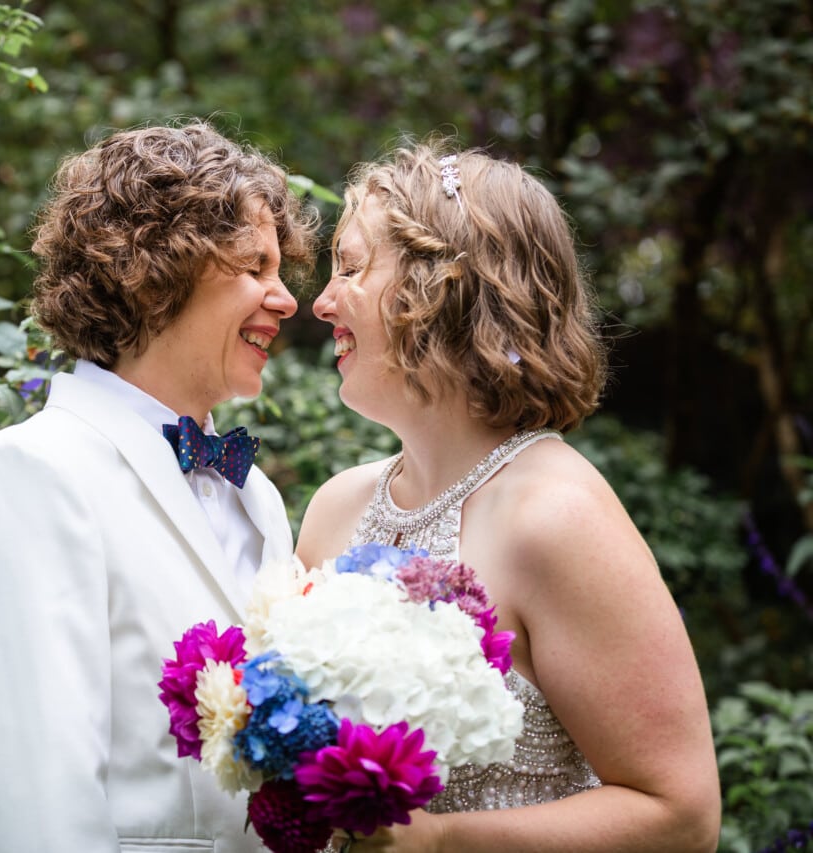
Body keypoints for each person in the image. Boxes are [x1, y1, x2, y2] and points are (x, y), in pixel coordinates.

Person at [297, 141, 720, 852]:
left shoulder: (555, 515)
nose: (321, 300)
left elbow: (681, 815)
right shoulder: (335, 508)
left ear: (445, 282)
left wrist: (443, 840)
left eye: (351, 265)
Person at [0, 121, 318, 852]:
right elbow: (31, 813)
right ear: (159, 265)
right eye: (256, 266)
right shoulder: (28, 478)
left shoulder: (253, 494)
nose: (286, 299)